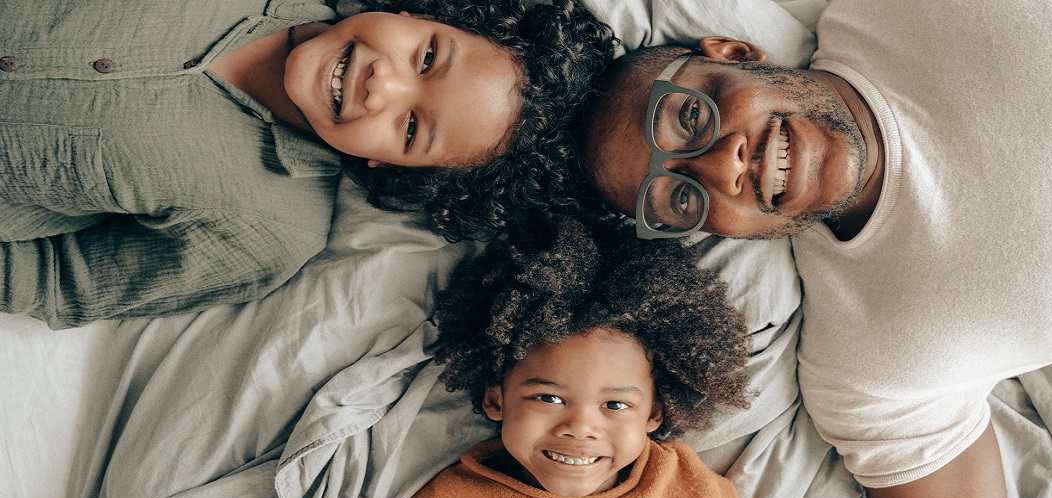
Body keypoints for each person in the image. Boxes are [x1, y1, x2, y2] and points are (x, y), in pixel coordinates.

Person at [574, 1, 1052, 498]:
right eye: (683, 198)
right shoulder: (868, 361)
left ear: (734, 53)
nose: (725, 167)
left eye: (689, 118)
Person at [0, 0, 615, 329]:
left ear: (389, 165)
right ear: (421, 12)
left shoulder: (266, 232)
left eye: (409, 128)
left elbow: (56, 282)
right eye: (427, 56)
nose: (383, 86)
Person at [384, 217, 756, 498]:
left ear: (654, 413)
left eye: (615, 404)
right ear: (496, 398)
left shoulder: (691, 495)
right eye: (549, 398)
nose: (579, 427)